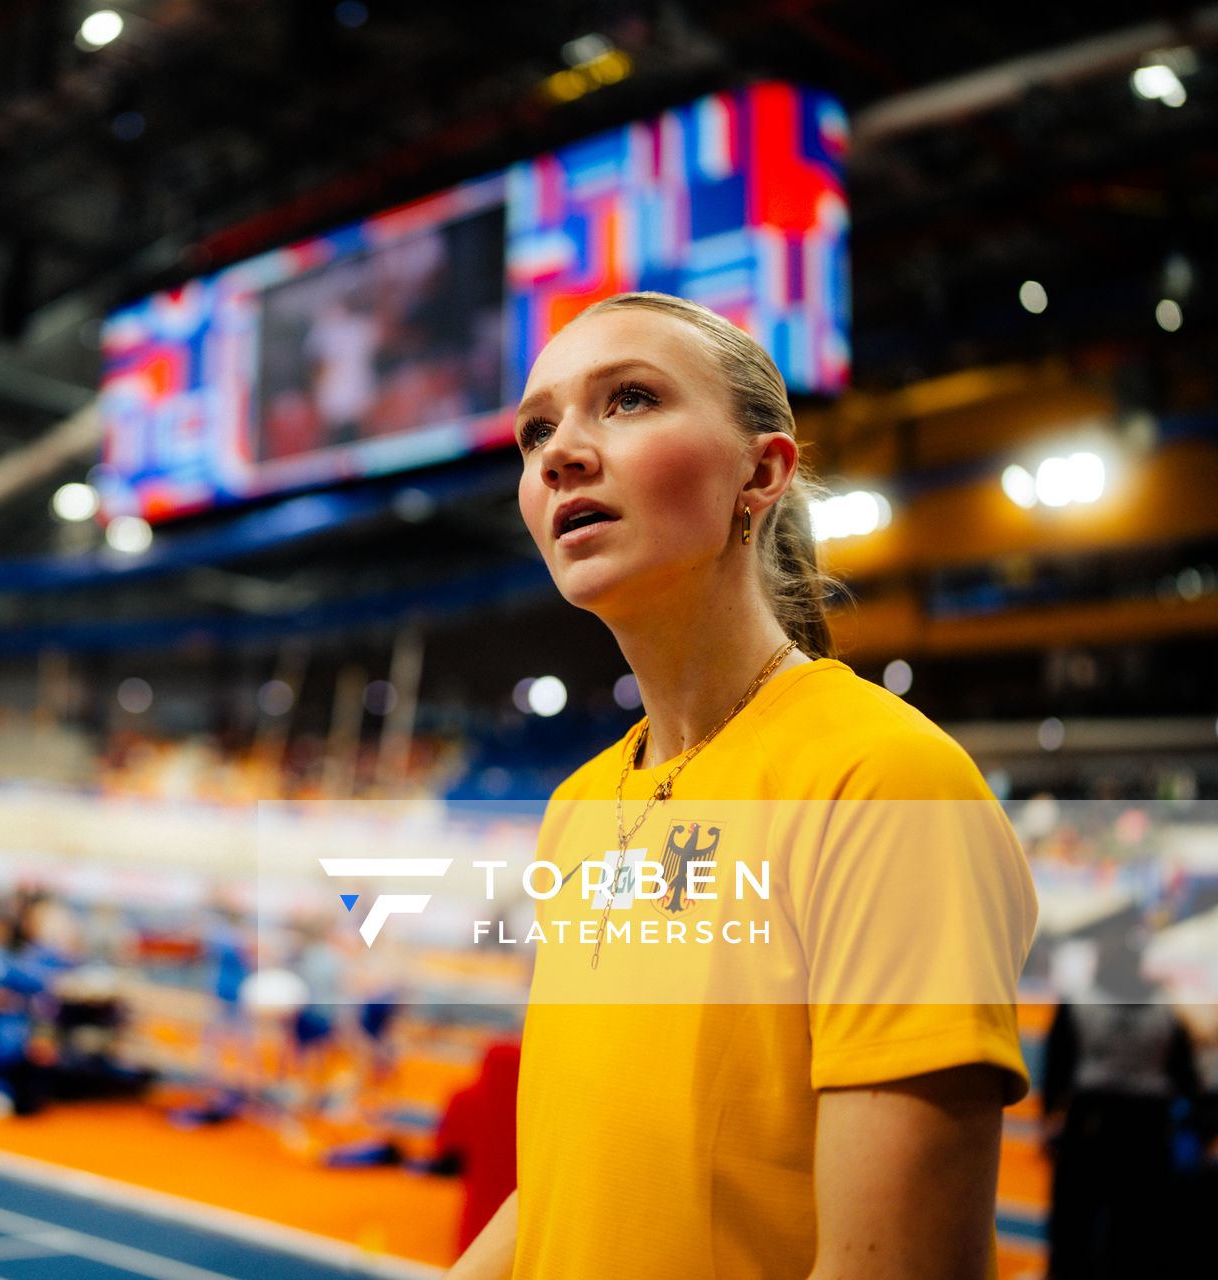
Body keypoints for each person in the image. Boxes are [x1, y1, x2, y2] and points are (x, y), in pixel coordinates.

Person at [448, 292, 1039, 1279]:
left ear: (760, 472)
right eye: (536, 428)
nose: (559, 452)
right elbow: (573, 1174)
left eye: (628, 398)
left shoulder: (883, 782)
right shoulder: (580, 808)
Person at [1040, 929, 1203, 1278]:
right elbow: (1186, 1076)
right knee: (1138, 1231)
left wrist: (1049, 1117)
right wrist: (1200, 1130)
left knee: (1074, 1228)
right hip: (1148, 1126)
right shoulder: (1165, 1009)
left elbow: (1057, 1067)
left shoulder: (1079, 1001)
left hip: (1091, 1123)